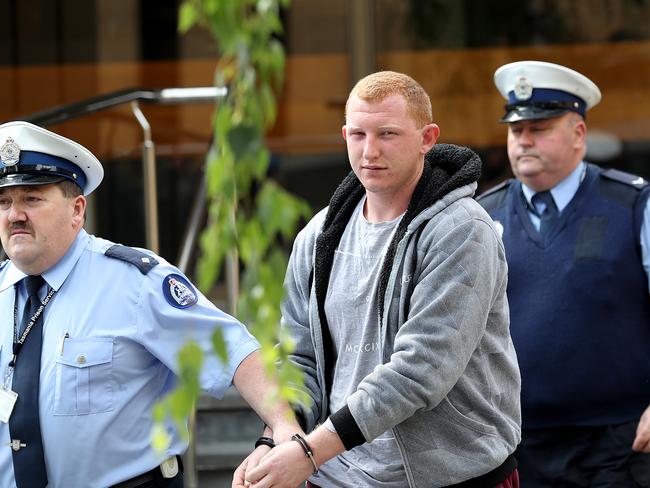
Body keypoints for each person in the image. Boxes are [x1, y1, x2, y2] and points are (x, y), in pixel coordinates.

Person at [235, 71, 521, 488]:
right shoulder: (317, 236)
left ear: (427, 138)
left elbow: (421, 369)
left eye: (387, 133)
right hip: (333, 474)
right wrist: (276, 438)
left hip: (448, 476)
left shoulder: (462, 230)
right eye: (358, 134)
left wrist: (309, 452)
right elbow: (300, 359)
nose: (370, 151)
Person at [0, 121, 301, 488]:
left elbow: (235, 352)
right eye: (4, 201)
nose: (14, 215)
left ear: (77, 210)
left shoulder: (134, 282)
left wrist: (283, 429)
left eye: (32, 199)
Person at [477, 60, 650, 487]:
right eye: (516, 131)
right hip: (516, 445)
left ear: (579, 134)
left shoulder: (632, 205)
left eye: (540, 129)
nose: (524, 141)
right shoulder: (483, 216)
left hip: (617, 444)